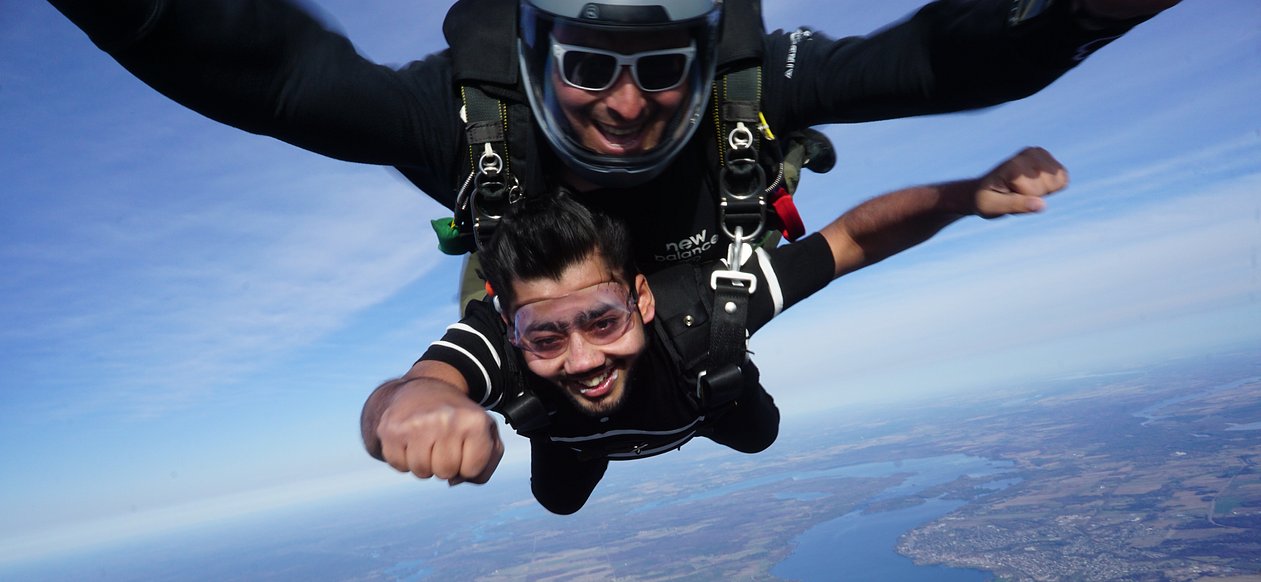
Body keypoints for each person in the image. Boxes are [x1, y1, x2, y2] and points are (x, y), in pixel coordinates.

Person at [47, 0, 1177, 274]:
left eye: (660, 66)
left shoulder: (754, 86)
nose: (628, 105)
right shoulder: (468, 114)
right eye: (590, 65)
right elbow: (274, 78)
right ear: (538, 53)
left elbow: (936, 60)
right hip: (554, 318)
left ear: (704, 53)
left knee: (724, 401)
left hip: (691, 308)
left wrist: (1078, 14)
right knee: (560, 439)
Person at [361, 146, 1070, 514]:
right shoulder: (504, 338)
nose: (582, 359)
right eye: (546, 337)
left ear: (641, 298)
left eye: (602, 320)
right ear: (515, 333)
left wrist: (961, 196)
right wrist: (419, 403)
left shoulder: (709, 304)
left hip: (705, 397)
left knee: (761, 433)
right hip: (575, 440)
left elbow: (851, 239)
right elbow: (412, 389)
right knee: (559, 502)